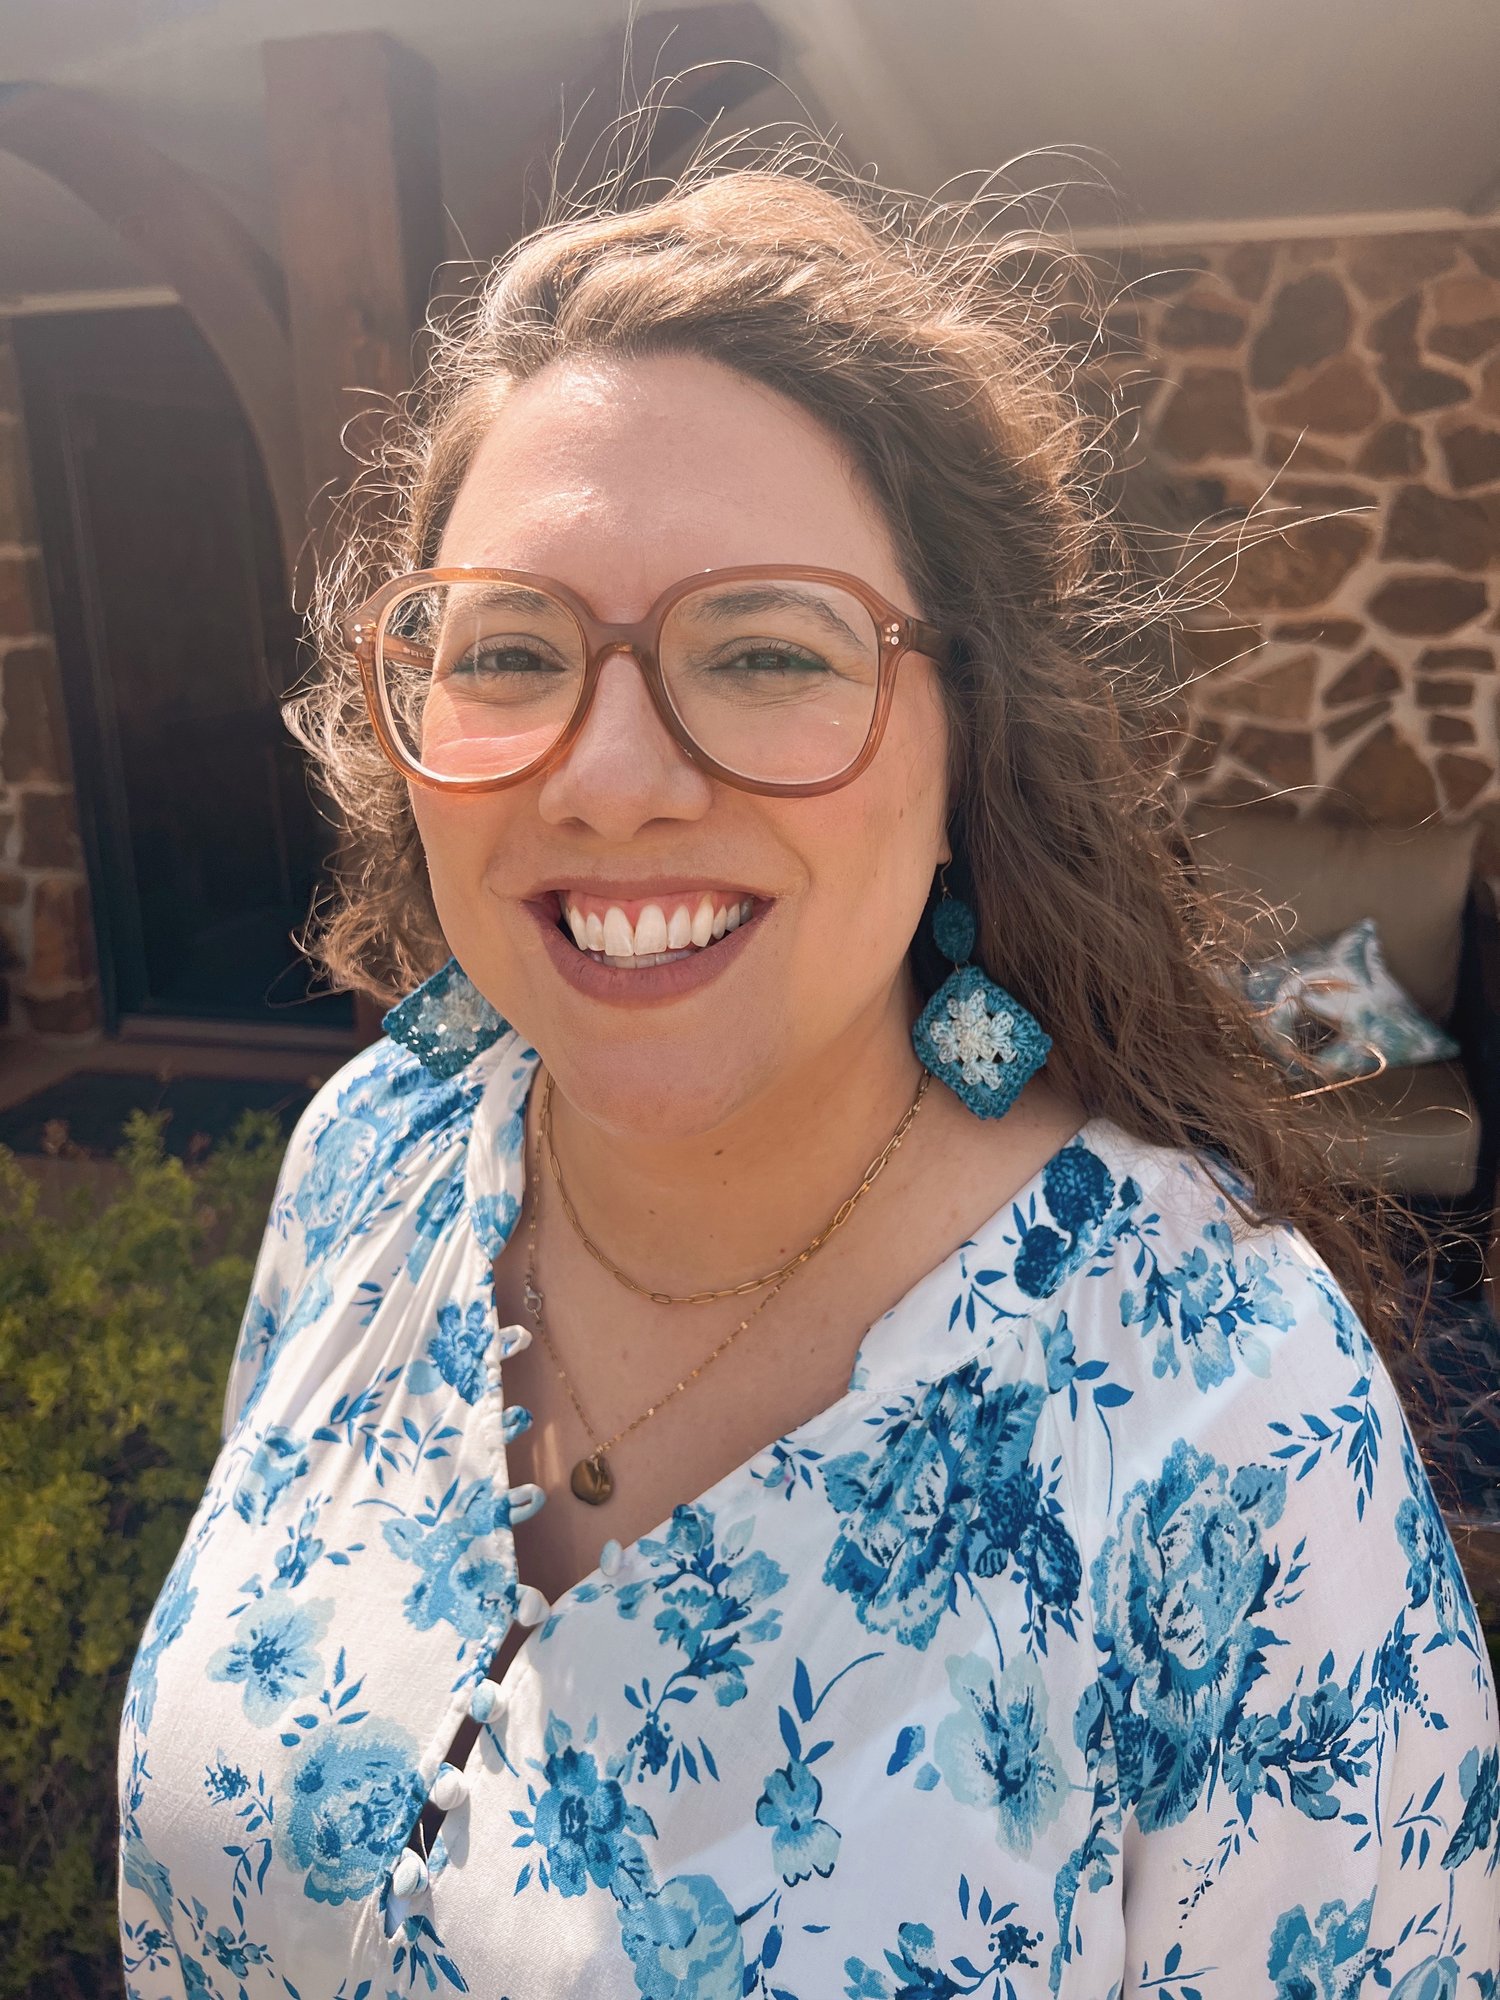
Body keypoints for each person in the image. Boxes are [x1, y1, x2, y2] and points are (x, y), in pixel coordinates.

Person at [117, 154, 1499, 2000]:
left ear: (966, 748)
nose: (608, 776)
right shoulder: (366, 1163)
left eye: (764, 647)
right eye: (512, 648)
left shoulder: (1224, 1413)